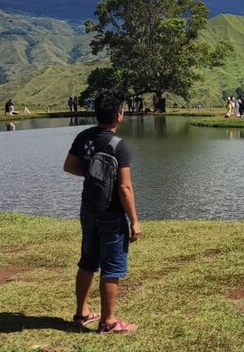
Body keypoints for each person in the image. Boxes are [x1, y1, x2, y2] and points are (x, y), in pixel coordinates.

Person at [63, 89, 141, 334]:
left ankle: (81, 313)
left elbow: (69, 166)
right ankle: (108, 321)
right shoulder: (119, 146)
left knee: (87, 261)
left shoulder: (83, 136)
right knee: (112, 266)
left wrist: (92, 174)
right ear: (119, 115)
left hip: (88, 210)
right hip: (111, 213)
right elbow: (125, 187)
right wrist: (135, 221)